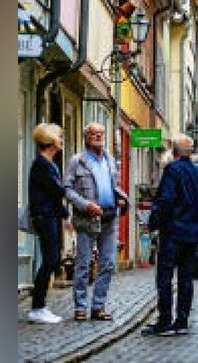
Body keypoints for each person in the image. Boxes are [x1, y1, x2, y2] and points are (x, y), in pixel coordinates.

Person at [142, 135, 198, 336]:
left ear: (174, 151)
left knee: (165, 276)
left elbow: (166, 200)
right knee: (185, 278)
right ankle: (182, 321)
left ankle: (164, 322)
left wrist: (153, 222)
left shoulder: (172, 170)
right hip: (191, 232)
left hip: (173, 232)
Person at [63, 122, 130, 322]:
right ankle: (80, 307)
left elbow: (114, 185)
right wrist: (85, 205)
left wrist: (121, 198)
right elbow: (66, 189)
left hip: (110, 217)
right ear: (86, 137)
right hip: (87, 219)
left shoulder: (109, 159)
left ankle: (98, 306)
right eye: (93, 134)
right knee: (83, 264)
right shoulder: (78, 161)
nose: (98, 136)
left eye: (101, 133)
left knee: (108, 264)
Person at [25, 123, 68, 324]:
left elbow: (57, 191)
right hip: (45, 216)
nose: (61, 140)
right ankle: (37, 307)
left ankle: (40, 305)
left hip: (50, 215)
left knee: (51, 259)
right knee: (50, 260)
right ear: (51, 141)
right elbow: (58, 191)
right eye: (59, 137)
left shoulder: (50, 164)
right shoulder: (42, 165)